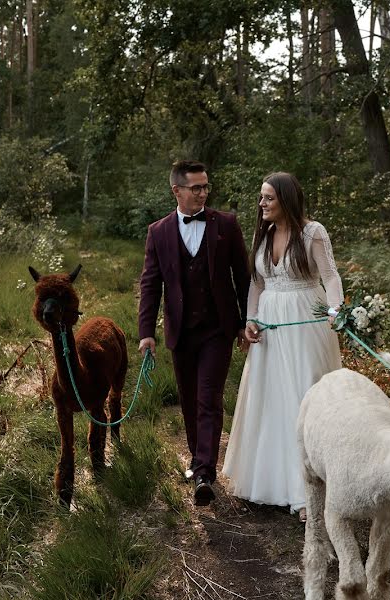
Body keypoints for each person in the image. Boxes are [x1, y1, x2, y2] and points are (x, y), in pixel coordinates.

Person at [221, 172, 343, 521]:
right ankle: (271, 480)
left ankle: (307, 493)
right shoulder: (265, 235)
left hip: (305, 321)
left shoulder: (312, 232)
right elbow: (257, 284)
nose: (261, 204)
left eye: (268, 198)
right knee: (271, 397)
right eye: (261, 197)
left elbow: (330, 275)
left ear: (286, 199)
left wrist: (337, 310)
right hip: (270, 328)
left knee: (302, 396)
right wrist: (251, 318)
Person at [138, 160, 251, 506]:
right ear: (177, 190)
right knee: (188, 400)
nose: (203, 193)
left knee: (208, 398)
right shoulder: (158, 232)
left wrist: (246, 322)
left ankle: (205, 471)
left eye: (206, 187)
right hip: (181, 331)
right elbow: (150, 284)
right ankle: (196, 456)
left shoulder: (226, 225)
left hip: (218, 328)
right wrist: (146, 333)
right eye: (196, 188)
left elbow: (243, 280)